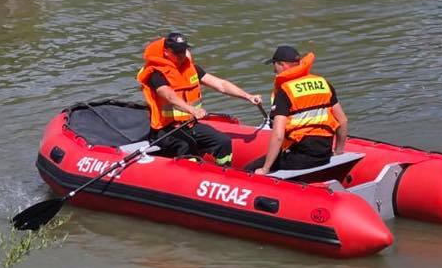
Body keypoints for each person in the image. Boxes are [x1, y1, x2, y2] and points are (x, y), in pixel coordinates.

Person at [136, 32, 264, 166]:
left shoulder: (191, 69)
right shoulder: (156, 74)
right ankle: (189, 172)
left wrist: (248, 96)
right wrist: (192, 110)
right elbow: (169, 96)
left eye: (183, 51)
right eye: (177, 52)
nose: (181, 55)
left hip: (189, 125)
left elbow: (221, 85)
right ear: (166, 52)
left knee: (223, 142)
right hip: (165, 130)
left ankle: (224, 171)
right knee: (186, 146)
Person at [252, 46, 349, 175]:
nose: (274, 70)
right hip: (325, 154)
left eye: (274, 65)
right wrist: (338, 151)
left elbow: (278, 136)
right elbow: (343, 121)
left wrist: (265, 169)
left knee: (250, 169)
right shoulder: (323, 83)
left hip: (301, 156)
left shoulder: (285, 91)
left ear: (282, 64)